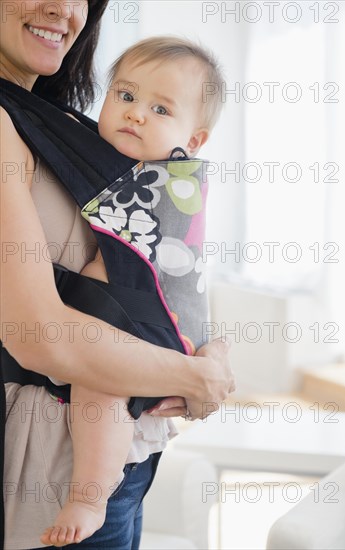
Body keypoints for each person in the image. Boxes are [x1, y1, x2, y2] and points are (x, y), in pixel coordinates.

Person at [0, 2, 234, 550]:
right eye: (126, 96)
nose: (61, 7)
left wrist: (208, 351)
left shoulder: (70, 128)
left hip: (129, 454)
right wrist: (189, 377)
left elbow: (165, 263)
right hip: (52, 468)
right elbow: (38, 336)